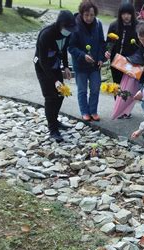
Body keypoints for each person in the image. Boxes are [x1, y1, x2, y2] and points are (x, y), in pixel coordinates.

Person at [34, 10, 77, 143]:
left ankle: (55, 120)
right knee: (50, 97)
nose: (69, 31)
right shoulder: (46, 35)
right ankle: (52, 128)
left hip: (56, 64)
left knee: (60, 94)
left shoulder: (66, 34)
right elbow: (43, 61)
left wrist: (65, 66)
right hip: (43, 67)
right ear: (60, 24)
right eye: (67, 28)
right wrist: (54, 81)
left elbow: (63, 50)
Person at [68, 1, 105, 122]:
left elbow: (101, 42)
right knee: (82, 90)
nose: (89, 18)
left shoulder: (98, 24)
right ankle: (84, 112)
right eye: (86, 15)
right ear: (81, 13)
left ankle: (93, 111)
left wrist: (100, 58)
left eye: (92, 15)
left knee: (95, 88)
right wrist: (83, 55)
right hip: (80, 65)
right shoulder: (75, 26)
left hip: (94, 64)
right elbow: (71, 47)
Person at [105, 2, 139, 119]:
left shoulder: (137, 26)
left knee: (128, 86)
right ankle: (118, 107)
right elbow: (109, 42)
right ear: (120, 14)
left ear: (132, 14)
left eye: (129, 13)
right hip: (116, 60)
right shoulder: (114, 25)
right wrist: (108, 51)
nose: (126, 16)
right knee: (117, 85)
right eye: (124, 13)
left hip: (130, 62)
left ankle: (126, 110)